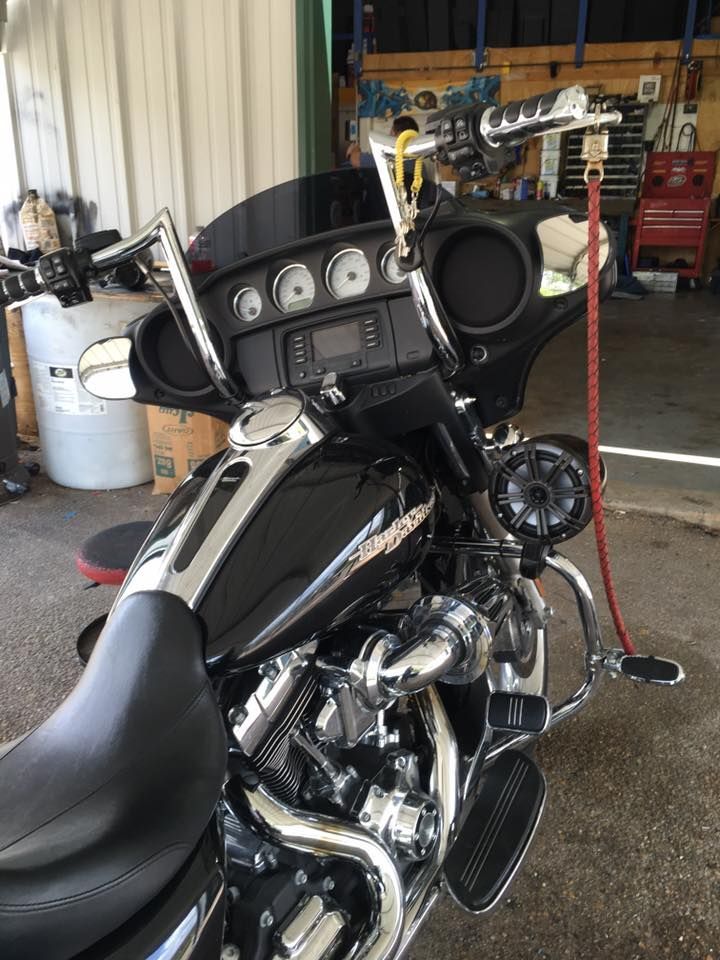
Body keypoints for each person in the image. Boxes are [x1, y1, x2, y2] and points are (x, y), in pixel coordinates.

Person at [345, 115, 420, 170]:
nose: (389, 135)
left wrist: (355, 149)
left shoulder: (392, 158)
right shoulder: (418, 163)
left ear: (398, 134)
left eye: (391, 132)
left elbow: (355, 160)